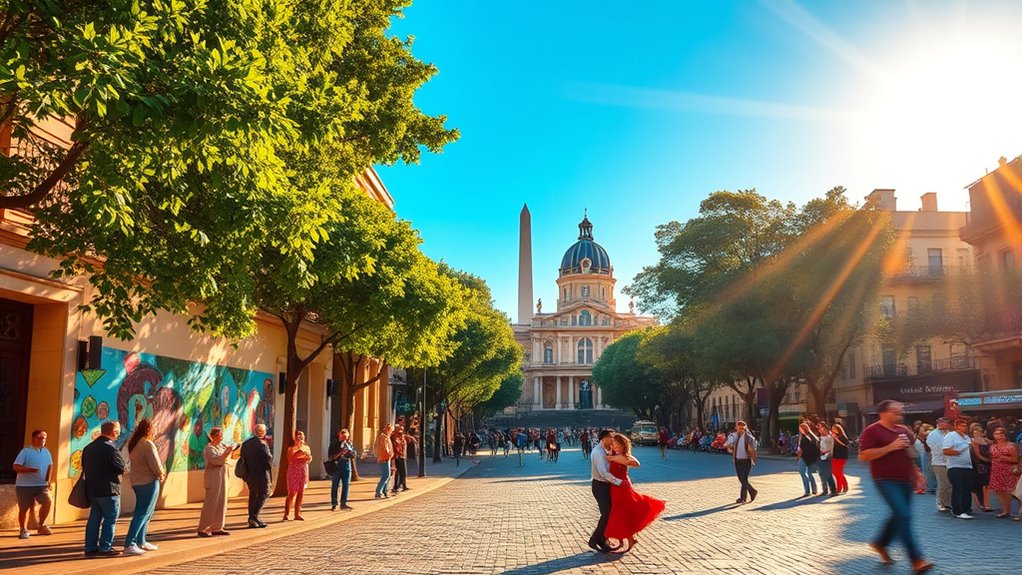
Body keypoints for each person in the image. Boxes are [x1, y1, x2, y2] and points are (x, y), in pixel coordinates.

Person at [858, 400, 934, 575]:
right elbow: (863, 455)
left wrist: (917, 473)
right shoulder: (872, 431)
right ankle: (917, 560)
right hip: (885, 479)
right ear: (884, 412)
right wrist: (890, 447)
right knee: (903, 515)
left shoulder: (903, 430)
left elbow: (907, 455)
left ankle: (880, 543)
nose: (899, 413)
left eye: (900, 410)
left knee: (898, 515)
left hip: (905, 480)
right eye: (895, 410)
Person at [604, 433, 666, 552]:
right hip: (614, 487)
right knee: (618, 513)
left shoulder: (624, 456)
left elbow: (636, 463)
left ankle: (629, 539)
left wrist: (613, 458)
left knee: (621, 513)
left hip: (623, 487)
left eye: (618, 445)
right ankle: (623, 539)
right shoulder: (612, 453)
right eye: (614, 444)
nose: (615, 447)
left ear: (623, 446)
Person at [82, 421, 126, 557]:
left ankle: (90, 547)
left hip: (93, 489)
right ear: (113, 432)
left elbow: (84, 466)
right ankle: (105, 547)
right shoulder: (111, 448)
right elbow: (120, 467)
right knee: (110, 519)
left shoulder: (88, 447)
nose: (118, 435)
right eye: (118, 432)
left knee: (94, 518)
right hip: (109, 489)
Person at [124, 419, 166, 555]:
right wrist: (161, 473)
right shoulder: (147, 444)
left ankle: (141, 541)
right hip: (148, 482)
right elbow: (155, 463)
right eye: (153, 429)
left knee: (146, 513)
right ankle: (130, 543)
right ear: (149, 430)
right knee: (142, 513)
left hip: (137, 482)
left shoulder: (134, 443)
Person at [588, 429, 624, 553]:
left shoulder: (607, 450)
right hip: (600, 485)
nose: (613, 440)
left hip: (607, 485)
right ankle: (596, 539)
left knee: (609, 512)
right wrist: (618, 481)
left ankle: (602, 538)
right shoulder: (597, 452)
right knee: (606, 513)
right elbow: (603, 472)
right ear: (603, 438)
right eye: (611, 437)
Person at [13, 429, 53, 540]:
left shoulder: (46, 452)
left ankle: (42, 525)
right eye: (39, 438)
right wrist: (28, 469)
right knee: (24, 508)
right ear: (33, 439)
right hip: (25, 485)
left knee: (48, 502)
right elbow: (15, 467)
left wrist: (48, 481)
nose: (42, 440)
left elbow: (50, 466)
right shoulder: (25, 451)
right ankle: (23, 529)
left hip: (42, 485)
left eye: (44, 438)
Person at [197, 426, 237, 537]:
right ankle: (203, 528)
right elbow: (216, 461)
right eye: (219, 435)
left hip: (223, 476)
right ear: (213, 436)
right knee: (211, 502)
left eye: (222, 435)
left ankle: (217, 526)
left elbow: (227, 460)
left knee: (222, 502)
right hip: (213, 477)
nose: (221, 437)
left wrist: (231, 453)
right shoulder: (209, 448)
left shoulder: (221, 447)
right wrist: (226, 453)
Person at [239, 423, 273, 528]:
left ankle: (252, 518)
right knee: (264, 493)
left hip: (249, 474)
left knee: (253, 495)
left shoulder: (246, 443)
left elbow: (242, 458)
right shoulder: (262, 444)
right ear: (263, 432)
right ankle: (254, 516)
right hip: (261, 474)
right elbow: (267, 460)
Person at [941, 418, 974, 519]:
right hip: (955, 466)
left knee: (967, 488)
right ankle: (957, 511)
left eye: (965, 426)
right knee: (958, 488)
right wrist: (958, 452)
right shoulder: (950, 436)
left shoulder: (966, 437)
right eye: (961, 425)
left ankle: (966, 508)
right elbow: (946, 450)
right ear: (956, 426)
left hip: (967, 465)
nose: (964, 427)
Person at [987, 426, 1020, 519]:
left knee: (1009, 491)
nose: (999, 436)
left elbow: (1016, 459)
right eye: (996, 434)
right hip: (996, 470)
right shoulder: (993, 446)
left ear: (1005, 435)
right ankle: (1005, 510)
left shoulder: (1010, 446)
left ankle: (1013, 510)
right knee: (999, 491)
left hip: (1008, 470)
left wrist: (1005, 458)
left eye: (1001, 434)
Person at [725, 420, 758, 503]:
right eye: (737, 427)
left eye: (739, 427)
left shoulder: (750, 438)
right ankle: (751, 492)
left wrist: (753, 460)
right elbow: (730, 446)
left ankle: (743, 497)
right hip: (737, 460)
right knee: (742, 479)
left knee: (744, 479)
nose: (737, 429)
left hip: (746, 461)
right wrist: (729, 447)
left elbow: (753, 450)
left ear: (744, 428)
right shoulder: (735, 437)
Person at [283, 430, 312, 520]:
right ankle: (286, 513)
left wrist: (304, 456)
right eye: (299, 437)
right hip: (293, 472)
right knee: (292, 493)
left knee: (301, 492)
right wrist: (299, 454)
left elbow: (309, 459)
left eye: (302, 437)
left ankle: (297, 514)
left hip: (303, 471)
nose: (301, 439)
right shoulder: (291, 448)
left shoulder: (306, 448)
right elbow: (291, 459)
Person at [326, 428, 356, 511]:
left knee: (346, 485)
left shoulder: (349, 444)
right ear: (339, 435)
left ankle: (343, 503)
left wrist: (350, 453)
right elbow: (330, 456)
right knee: (335, 485)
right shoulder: (334, 444)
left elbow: (353, 455)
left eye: (346, 436)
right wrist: (340, 452)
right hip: (336, 466)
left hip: (347, 465)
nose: (344, 438)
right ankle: (334, 503)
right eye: (343, 435)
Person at [926, 417, 951, 512]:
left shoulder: (949, 433)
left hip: (950, 461)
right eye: (945, 423)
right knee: (943, 484)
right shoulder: (932, 434)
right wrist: (949, 449)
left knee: (949, 484)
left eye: (947, 423)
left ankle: (947, 503)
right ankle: (940, 502)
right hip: (939, 462)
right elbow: (937, 448)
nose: (947, 425)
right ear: (939, 423)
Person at [969, 426, 992, 512]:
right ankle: (980, 504)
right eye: (975, 432)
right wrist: (986, 460)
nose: (977, 434)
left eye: (979, 432)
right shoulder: (971, 441)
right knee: (977, 485)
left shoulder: (988, 441)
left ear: (983, 432)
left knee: (986, 484)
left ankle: (985, 504)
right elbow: (975, 454)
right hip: (975, 465)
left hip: (987, 465)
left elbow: (992, 452)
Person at [797, 422, 820, 496]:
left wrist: (798, 457)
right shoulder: (813, 437)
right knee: (810, 473)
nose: (800, 430)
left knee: (803, 472)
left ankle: (807, 491)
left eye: (801, 428)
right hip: (812, 458)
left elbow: (801, 449)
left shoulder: (803, 438)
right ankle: (814, 490)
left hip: (804, 457)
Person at [374, 423, 394, 498]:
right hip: (384, 458)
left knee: (387, 475)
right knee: (385, 475)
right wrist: (388, 455)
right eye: (391, 430)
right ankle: (378, 492)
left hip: (385, 458)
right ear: (388, 430)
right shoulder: (384, 437)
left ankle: (385, 491)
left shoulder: (385, 436)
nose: (391, 432)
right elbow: (385, 448)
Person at [817, 422, 837, 496]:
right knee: (822, 474)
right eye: (819, 429)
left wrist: (822, 451)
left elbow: (829, 448)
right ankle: (824, 490)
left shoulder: (829, 437)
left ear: (825, 429)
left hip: (827, 457)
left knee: (828, 474)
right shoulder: (820, 438)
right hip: (821, 457)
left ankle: (833, 490)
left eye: (821, 428)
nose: (820, 430)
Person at [831, 423, 849, 494]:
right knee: (835, 472)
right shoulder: (833, 436)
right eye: (832, 429)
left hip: (841, 456)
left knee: (838, 472)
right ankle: (844, 485)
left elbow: (845, 444)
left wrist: (836, 438)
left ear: (839, 430)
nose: (833, 430)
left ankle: (839, 488)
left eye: (835, 429)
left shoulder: (842, 437)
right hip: (835, 456)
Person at [391, 425, 409, 494]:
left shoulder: (402, 437)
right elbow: (396, 448)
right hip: (398, 457)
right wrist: (400, 454)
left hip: (402, 456)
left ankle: (403, 485)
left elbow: (404, 446)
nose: (401, 432)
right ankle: (396, 486)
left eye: (402, 430)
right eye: (400, 430)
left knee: (403, 472)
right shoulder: (395, 438)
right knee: (399, 472)